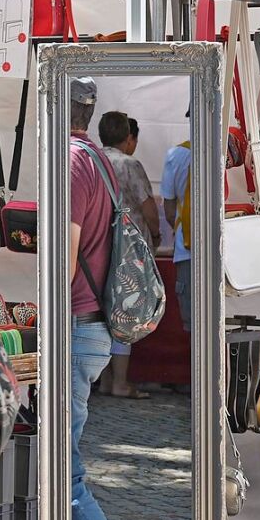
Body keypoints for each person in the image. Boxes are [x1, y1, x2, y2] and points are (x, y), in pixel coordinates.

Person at [68, 79, 146, 520]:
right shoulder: (97, 157)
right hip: (91, 325)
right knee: (51, 465)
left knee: (62, 475)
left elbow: (64, 255)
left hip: (74, 327)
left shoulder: (74, 162)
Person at [96, 110, 161, 399]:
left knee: (100, 312)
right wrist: (156, 236)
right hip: (127, 249)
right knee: (125, 311)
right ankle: (120, 382)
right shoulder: (129, 164)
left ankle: (106, 379)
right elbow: (148, 208)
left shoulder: (90, 159)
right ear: (127, 136)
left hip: (94, 245)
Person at [161, 140, 192, 334]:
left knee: (191, 322)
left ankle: (197, 364)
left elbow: (169, 208)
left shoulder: (176, 155)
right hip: (222, 250)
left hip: (186, 248)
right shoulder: (223, 148)